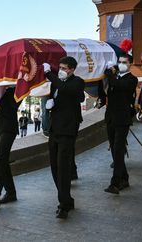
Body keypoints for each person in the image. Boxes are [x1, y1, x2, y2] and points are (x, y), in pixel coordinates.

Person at [43, 56, 85, 219]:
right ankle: (67, 198)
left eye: (65, 68)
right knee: (54, 166)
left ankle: (64, 204)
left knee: (63, 167)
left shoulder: (77, 82)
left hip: (68, 130)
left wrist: (49, 73)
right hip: (55, 129)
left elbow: (66, 89)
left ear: (72, 69)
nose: (61, 71)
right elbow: (57, 92)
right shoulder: (56, 82)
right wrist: (52, 103)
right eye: (59, 67)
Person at [99, 54, 138, 194]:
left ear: (130, 64)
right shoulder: (114, 78)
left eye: (124, 62)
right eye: (119, 62)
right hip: (110, 118)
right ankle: (124, 178)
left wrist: (110, 72)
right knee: (115, 151)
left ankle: (115, 183)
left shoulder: (131, 79)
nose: (121, 64)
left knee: (118, 150)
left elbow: (118, 85)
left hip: (122, 119)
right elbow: (106, 92)